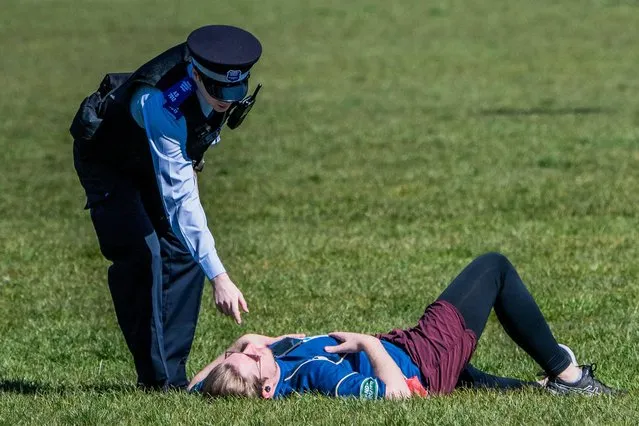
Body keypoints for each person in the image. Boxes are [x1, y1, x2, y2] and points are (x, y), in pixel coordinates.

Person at [70, 25, 263, 390]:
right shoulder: (162, 103)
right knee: (143, 256)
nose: (227, 100)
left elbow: (192, 148)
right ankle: (157, 380)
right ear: (195, 72)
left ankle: (172, 377)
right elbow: (181, 201)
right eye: (218, 90)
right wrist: (220, 277)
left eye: (234, 90)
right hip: (109, 160)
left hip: (156, 155)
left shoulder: (216, 83)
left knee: (186, 253)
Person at [188, 253, 622, 398]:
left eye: (239, 353)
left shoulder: (273, 360)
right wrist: (365, 343)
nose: (248, 352)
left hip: (410, 348)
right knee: (493, 268)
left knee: (475, 381)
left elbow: (196, 387)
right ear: (267, 389)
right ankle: (570, 377)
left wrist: (241, 344)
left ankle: (542, 391)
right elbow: (395, 398)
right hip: (421, 359)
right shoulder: (317, 376)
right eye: (249, 361)